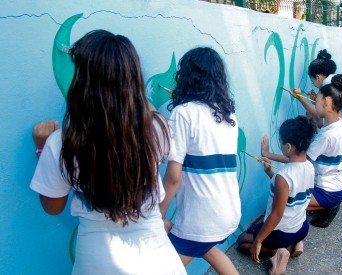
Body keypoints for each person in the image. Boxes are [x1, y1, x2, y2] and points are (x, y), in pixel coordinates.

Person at [30, 30, 186, 274]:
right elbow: (148, 112)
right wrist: (127, 89)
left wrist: (41, 148)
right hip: (158, 258)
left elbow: (53, 207)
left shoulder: (61, 143)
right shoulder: (157, 129)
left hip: (96, 260)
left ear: (81, 83)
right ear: (133, 80)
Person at [159, 47, 241, 274]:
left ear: (186, 77)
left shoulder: (183, 113)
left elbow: (173, 177)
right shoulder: (229, 115)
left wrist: (157, 216)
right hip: (228, 213)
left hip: (202, 219)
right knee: (209, 249)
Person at [237, 116, 315, 275]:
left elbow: (276, 214)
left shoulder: (284, 176)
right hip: (301, 227)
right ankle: (294, 244)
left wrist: (258, 241)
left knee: (242, 242)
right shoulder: (309, 166)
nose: (280, 145)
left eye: (280, 142)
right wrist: (269, 172)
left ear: (288, 147)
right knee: (269, 234)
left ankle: (277, 252)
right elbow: (289, 192)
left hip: (283, 231)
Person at [262, 84, 342, 228]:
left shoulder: (326, 136)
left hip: (328, 190)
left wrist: (267, 154)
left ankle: (329, 205)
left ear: (326, 101)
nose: (315, 103)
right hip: (339, 184)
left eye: (317, 99)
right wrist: (301, 99)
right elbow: (318, 117)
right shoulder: (339, 122)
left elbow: (298, 160)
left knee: (288, 202)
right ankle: (327, 204)